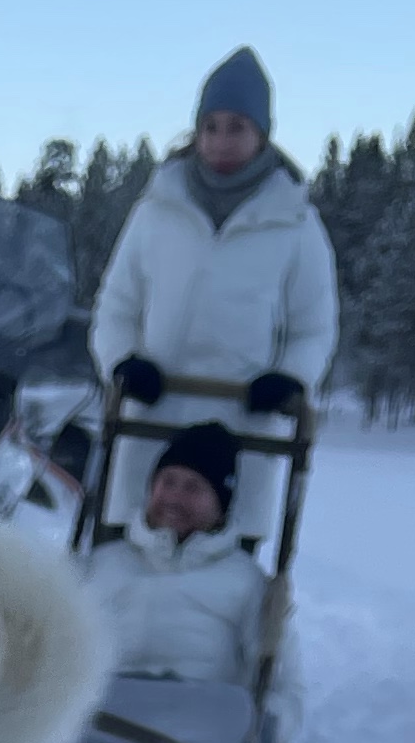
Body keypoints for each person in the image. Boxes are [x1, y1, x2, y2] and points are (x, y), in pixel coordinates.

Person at [88, 47, 338, 529]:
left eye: (237, 127)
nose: (222, 141)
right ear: (197, 131)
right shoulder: (156, 210)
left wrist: (291, 378)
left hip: (243, 426)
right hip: (150, 417)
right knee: (126, 557)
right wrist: (122, 361)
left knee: (222, 572)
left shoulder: (295, 223)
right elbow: (116, 306)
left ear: (262, 134)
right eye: (211, 126)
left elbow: (314, 326)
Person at [101, 421, 267, 685]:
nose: (174, 497)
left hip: (199, 716)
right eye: (167, 482)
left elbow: (280, 682)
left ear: (220, 506)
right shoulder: (104, 563)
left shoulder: (247, 580)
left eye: (193, 488)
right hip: (102, 713)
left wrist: (269, 722)